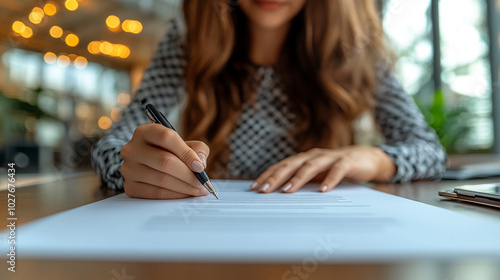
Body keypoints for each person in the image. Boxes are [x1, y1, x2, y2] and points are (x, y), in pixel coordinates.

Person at [91, 0, 447, 199]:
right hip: (211, 234)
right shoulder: (192, 37)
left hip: (321, 231)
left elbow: (430, 152)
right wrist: (130, 167)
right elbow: (113, 147)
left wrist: (372, 158)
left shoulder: (355, 44)